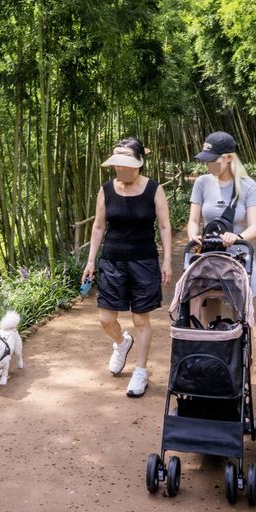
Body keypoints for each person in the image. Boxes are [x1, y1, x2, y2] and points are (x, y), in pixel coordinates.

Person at [82, 137, 172, 398]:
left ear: (139, 163)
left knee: (140, 319)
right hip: (112, 260)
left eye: (125, 164)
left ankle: (140, 371)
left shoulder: (154, 189)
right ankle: (121, 343)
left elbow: (164, 226)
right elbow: (99, 226)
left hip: (144, 261)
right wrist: (91, 260)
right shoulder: (106, 190)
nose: (120, 169)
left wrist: (166, 260)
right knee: (106, 319)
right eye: (117, 164)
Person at [187, 130, 256, 296]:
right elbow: (193, 220)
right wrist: (193, 235)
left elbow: (254, 227)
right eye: (207, 161)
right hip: (209, 253)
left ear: (229, 158)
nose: (209, 165)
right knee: (206, 303)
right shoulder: (202, 183)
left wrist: (237, 238)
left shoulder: (248, 185)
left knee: (239, 306)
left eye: (213, 161)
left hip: (238, 255)